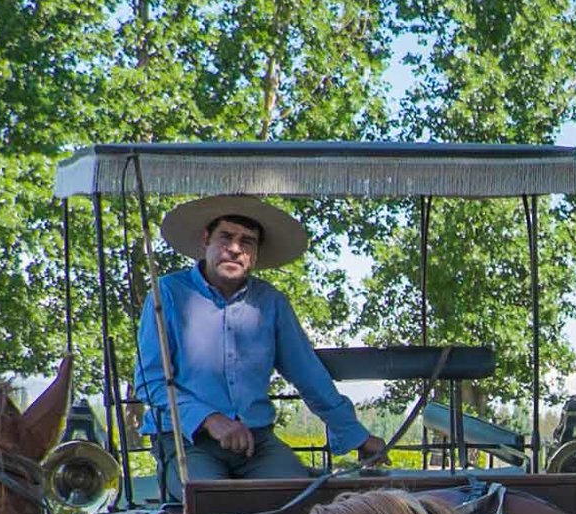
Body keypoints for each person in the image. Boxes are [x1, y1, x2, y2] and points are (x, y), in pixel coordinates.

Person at [134, 193, 389, 491]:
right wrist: (210, 419)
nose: (234, 249)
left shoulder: (271, 303)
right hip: (185, 442)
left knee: (301, 498)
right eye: (225, 238)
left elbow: (309, 375)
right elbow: (150, 382)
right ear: (206, 240)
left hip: (256, 443)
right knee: (209, 502)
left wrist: (355, 435)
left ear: (254, 255)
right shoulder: (168, 294)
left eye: (247, 242)